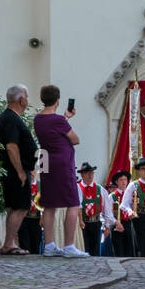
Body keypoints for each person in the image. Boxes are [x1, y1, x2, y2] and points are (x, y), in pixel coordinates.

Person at [32, 85, 88, 257]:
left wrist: (65, 117)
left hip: (46, 161)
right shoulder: (59, 121)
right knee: (73, 203)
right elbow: (75, 139)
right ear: (57, 100)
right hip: (62, 163)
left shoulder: (38, 119)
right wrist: (64, 119)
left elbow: (53, 129)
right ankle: (69, 245)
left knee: (49, 204)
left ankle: (49, 245)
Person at [0, 84, 37, 255]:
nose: (27, 100)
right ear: (21, 99)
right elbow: (12, 146)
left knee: (18, 206)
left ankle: (10, 242)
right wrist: (21, 171)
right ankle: (8, 244)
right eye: (26, 97)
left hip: (17, 170)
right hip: (15, 171)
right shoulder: (11, 119)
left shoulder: (9, 118)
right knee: (20, 207)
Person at [76, 163, 111, 257]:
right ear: (82, 175)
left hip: (96, 223)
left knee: (95, 250)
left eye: (92, 173)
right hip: (82, 224)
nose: (90, 175)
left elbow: (107, 209)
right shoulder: (77, 188)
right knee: (83, 249)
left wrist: (107, 225)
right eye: (88, 173)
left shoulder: (100, 189)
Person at [109, 169, 134, 257]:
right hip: (117, 225)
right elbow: (109, 213)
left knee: (130, 250)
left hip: (129, 224)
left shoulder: (132, 195)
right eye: (121, 180)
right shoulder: (112, 196)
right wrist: (115, 223)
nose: (124, 182)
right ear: (117, 182)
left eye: (125, 180)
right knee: (118, 251)